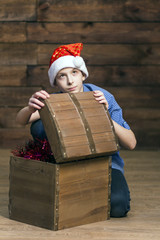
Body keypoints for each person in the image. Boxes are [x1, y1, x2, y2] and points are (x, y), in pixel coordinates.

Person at [16, 43, 136, 218]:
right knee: (39, 125)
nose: (70, 81)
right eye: (62, 76)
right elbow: (21, 121)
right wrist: (29, 108)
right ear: (56, 82)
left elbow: (131, 143)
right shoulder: (55, 100)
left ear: (83, 74)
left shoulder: (103, 97)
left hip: (104, 163)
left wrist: (103, 114)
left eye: (74, 73)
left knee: (118, 207)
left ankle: (96, 193)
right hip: (68, 163)